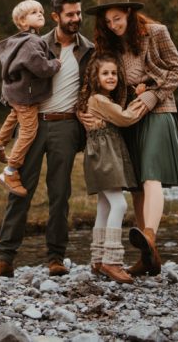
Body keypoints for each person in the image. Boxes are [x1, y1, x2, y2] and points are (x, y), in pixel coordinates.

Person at [0, 0, 95, 278]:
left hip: (67, 126)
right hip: (34, 124)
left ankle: (56, 258)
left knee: (60, 193)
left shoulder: (89, 49)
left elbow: (95, 84)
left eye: (79, 13)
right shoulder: (35, 43)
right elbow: (14, 79)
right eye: (70, 14)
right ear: (56, 16)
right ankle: (5, 259)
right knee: (19, 190)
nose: (76, 19)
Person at [86, 0, 178, 277]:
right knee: (135, 186)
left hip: (157, 110)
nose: (113, 25)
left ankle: (149, 234)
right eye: (108, 21)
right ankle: (149, 258)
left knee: (151, 174)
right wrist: (84, 112)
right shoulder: (108, 45)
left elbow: (177, 71)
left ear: (130, 13)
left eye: (118, 19)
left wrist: (150, 96)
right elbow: (95, 81)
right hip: (127, 118)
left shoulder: (156, 32)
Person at [0, 0, 62, 197]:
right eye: (33, 13)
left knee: (14, 115)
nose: (40, 15)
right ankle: (10, 171)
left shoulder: (17, 40)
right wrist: (55, 63)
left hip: (15, 93)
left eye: (41, 12)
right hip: (26, 95)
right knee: (28, 131)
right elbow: (41, 68)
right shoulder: (31, 42)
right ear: (21, 21)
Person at [75, 54, 139, 284]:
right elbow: (125, 118)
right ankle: (111, 260)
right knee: (119, 204)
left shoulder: (96, 99)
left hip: (101, 155)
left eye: (113, 73)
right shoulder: (100, 100)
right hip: (104, 157)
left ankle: (98, 258)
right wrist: (143, 101)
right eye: (105, 73)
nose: (111, 77)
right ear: (95, 77)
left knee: (104, 205)